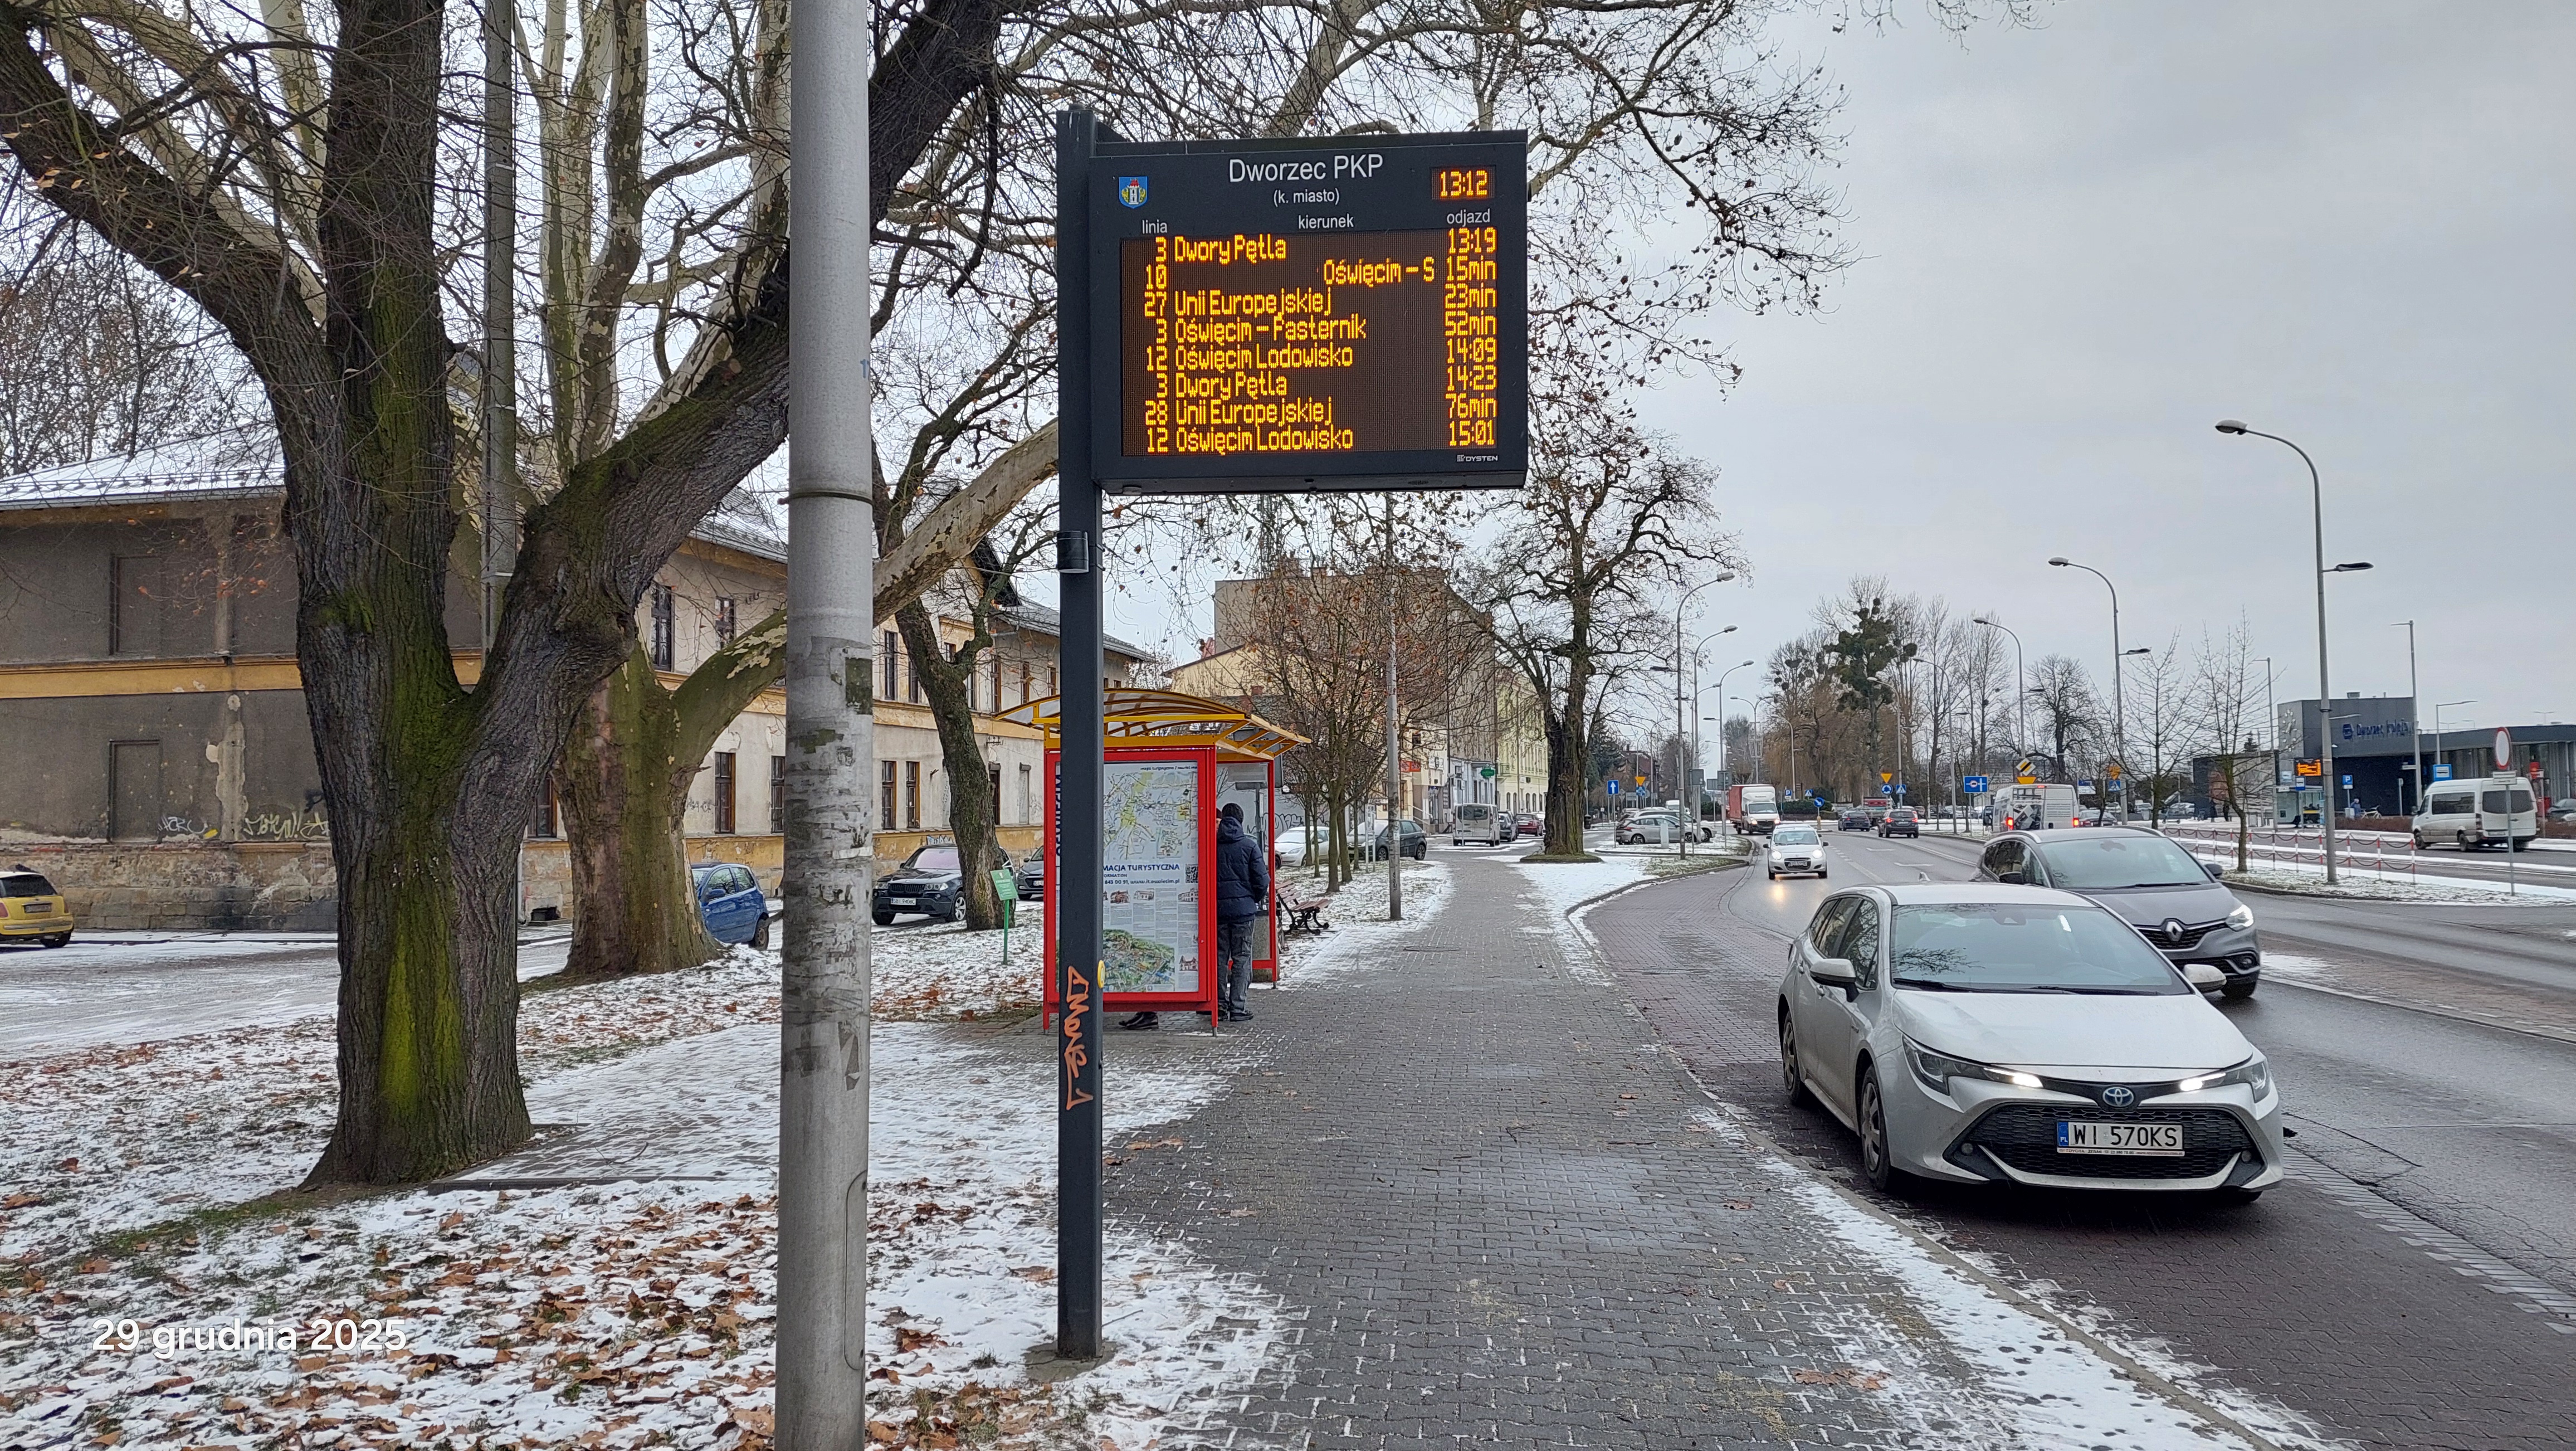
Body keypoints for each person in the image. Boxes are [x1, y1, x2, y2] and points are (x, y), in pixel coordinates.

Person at [1211, 800, 1270, 1022]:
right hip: (1243, 914)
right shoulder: (1249, 846)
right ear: (1241, 821)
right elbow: (1262, 881)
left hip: (1218, 913)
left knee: (1219, 958)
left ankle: (1219, 1005)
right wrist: (1251, 900)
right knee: (1242, 958)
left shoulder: (1212, 846)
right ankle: (1238, 1007)